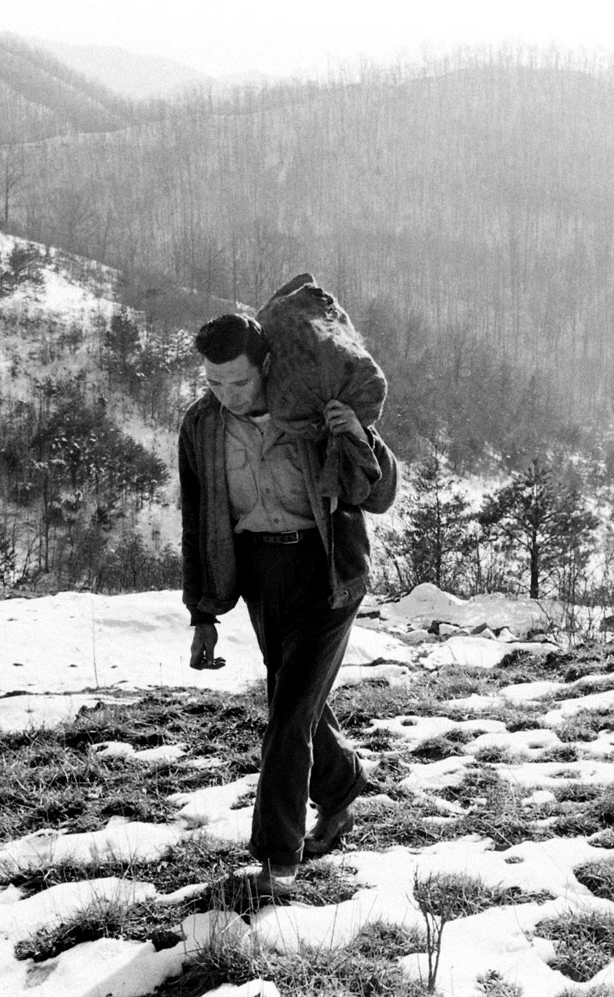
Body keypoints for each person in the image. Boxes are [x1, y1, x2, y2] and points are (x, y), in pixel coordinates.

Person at [178, 312, 398, 896]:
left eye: (239, 382)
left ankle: (278, 858)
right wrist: (202, 614)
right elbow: (197, 520)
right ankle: (342, 786)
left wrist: (359, 434)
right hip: (259, 573)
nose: (227, 395)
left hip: (327, 573)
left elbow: (379, 494)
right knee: (295, 701)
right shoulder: (201, 426)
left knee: (288, 715)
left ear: (267, 365)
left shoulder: (309, 409)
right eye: (214, 382)